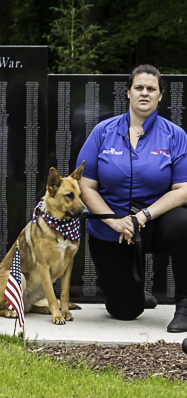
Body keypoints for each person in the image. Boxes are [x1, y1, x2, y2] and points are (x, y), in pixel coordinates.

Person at [78, 64, 187, 333]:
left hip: (155, 221)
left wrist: (144, 215)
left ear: (160, 95)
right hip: (113, 227)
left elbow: (183, 189)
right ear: (128, 92)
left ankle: (184, 305)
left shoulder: (175, 135)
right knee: (125, 311)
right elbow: (86, 185)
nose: (145, 93)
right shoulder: (103, 131)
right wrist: (114, 221)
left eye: (152, 89)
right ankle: (127, 291)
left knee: (184, 222)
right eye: (139, 87)